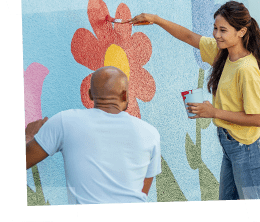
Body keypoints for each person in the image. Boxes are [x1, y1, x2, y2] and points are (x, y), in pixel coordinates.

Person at [128, 1, 260, 200]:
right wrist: (155, 19)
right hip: (230, 144)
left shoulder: (246, 69)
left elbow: (257, 119)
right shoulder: (221, 53)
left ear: (241, 32)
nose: (216, 34)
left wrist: (214, 112)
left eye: (223, 30)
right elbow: (189, 36)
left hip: (247, 149)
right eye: (215, 28)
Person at [25, 66, 161, 205]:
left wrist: (28, 137)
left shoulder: (64, 122)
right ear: (125, 95)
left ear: (90, 94)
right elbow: (141, 193)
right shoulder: (151, 134)